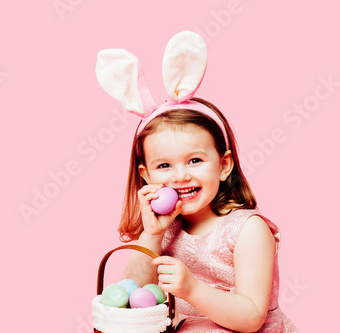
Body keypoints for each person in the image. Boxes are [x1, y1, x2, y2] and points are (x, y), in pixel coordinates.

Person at [95, 31, 298, 332]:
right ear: (146, 176)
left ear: (224, 165)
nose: (180, 175)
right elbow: (130, 296)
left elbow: (252, 316)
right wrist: (151, 235)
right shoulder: (166, 229)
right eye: (164, 165)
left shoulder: (247, 231)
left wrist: (192, 289)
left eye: (195, 160)